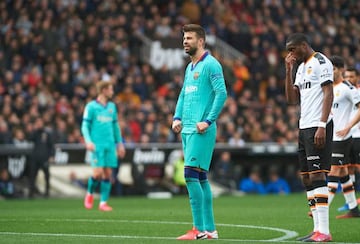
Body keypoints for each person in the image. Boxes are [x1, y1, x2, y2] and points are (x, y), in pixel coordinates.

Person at [172, 24, 227, 240]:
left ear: (201, 41)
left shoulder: (212, 65)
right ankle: (210, 229)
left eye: (189, 38)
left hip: (200, 130)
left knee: (190, 176)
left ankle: (198, 229)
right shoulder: (190, 67)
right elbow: (183, 95)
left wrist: (207, 120)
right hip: (187, 129)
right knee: (201, 177)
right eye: (184, 38)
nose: (185, 41)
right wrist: (177, 117)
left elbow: (221, 93)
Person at [285, 33, 334, 242]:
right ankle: (316, 230)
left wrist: (322, 125)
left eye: (293, 49)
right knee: (306, 177)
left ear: (304, 46)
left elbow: (328, 92)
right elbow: (291, 99)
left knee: (317, 175)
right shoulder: (301, 68)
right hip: (304, 126)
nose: (291, 54)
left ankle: (324, 231)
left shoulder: (321, 62)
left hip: (318, 126)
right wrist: (288, 71)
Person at [82, 80, 126, 211]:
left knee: (108, 173)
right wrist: (88, 141)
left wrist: (120, 144)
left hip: (110, 144)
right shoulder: (91, 107)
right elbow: (85, 126)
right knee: (98, 173)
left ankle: (103, 203)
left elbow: (115, 126)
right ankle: (89, 193)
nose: (112, 92)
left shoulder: (112, 106)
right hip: (97, 145)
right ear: (103, 90)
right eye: (110, 89)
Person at [326, 57, 360, 218]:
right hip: (332, 136)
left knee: (334, 170)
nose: (330, 72)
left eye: (333, 69)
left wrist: (348, 126)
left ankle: (322, 206)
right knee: (344, 173)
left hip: (343, 137)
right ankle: (354, 209)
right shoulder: (328, 87)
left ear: (340, 69)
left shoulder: (347, 88)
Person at [338, 67, 360, 212]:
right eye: (347, 76)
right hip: (348, 135)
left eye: (352, 76)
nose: (349, 79)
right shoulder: (344, 90)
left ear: (357, 77)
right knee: (348, 167)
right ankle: (350, 202)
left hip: (358, 134)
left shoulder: (355, 92)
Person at [28, 117, 55, 198]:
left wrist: (51, 156)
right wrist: (34, 130)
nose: (39, 124)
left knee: (47, 176)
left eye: (40, 122)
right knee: (33, 176)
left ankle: (47, 192)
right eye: (38, 122)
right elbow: (30, 139)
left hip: (44, 158)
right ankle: (31, 193)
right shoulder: (35, 133)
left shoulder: (47, 133)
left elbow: (51, 145)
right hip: (35, 158)